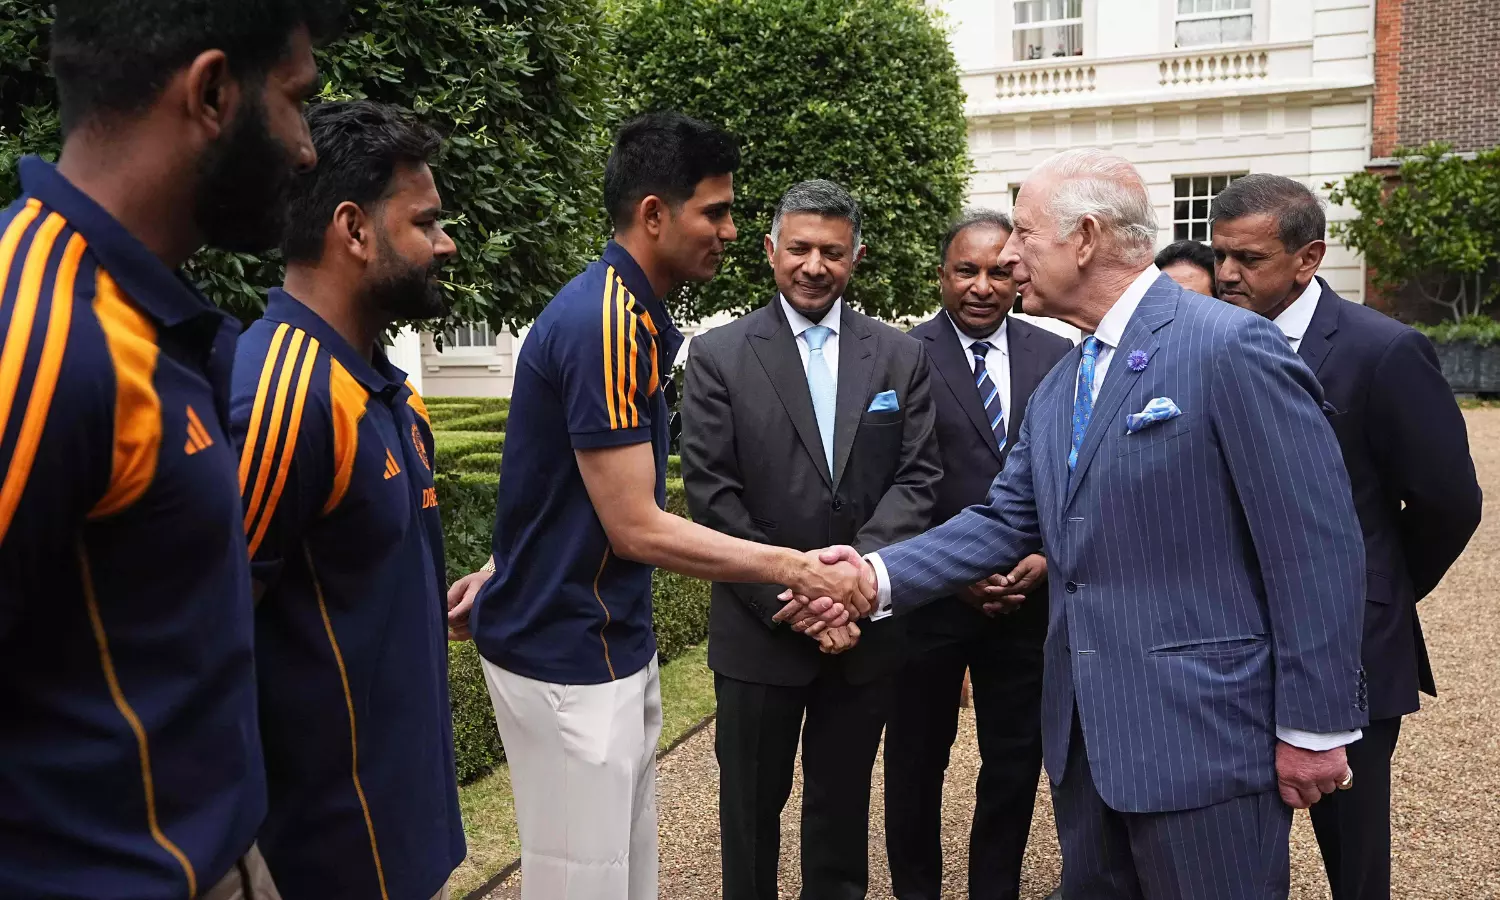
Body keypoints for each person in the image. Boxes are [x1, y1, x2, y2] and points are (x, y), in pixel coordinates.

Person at [780, 148, 1370, 900]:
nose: (1011, 255)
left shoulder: (1228, 346)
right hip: (1087, 742)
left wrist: (1316, 727)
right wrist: (870, 576)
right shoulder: (1066, 380)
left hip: (1206, 745)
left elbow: (1316, 548)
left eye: (1024, 235)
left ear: (1085, 237)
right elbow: (1005, 518)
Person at [443, 114, 872, 900]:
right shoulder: (607, 321)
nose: (733, 231)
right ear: (652, 214)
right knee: (586, 886)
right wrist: (797, 567)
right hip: (569, 653)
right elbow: (634, 524)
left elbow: (558, 483)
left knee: (621, 880)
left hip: (596, 639)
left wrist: (506, 560)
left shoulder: (627, 314)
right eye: (715, 211)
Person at [0, 2, 337, 897]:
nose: (306, 147)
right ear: (214, 91)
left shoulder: (150, 319)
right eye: (296, 99)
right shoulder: (39, 333)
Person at [1210, 174, 1482, 900]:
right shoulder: (1203, 342)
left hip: (1352, 652)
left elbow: (1448, 502)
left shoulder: (1383, 351)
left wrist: (1374, 591)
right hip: (1225, 648)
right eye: (1220, 256)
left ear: (1309, 258)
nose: (1228, 273)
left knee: (1353, 864)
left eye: (1249, 259)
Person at [679, 179, 941, 900]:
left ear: (856, 257)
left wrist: (850, 594)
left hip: (863, 635)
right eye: (799, 248)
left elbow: (919, 481)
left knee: (841, 812)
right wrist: (792, 595)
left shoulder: (898, 356)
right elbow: (712, 495)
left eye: (832, 251)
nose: (814, 265)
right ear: (770, 251)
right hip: (760, 631)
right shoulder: (717, 356)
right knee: (750, 815)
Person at [229, 100, 464, 900]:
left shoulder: (385, 391)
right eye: (426, 222)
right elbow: (217, 634)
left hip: (400, 838)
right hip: (325, 858)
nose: (446, 242)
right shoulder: (286, 395)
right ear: (355, 231)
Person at [887, 209, 1072, 900]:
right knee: (914, 761)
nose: (983, 286)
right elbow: (888, 482)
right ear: (942, 274)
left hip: (1027, 600)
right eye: (967, 270)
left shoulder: (1056, 357)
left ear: (1018, 275)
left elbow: (1073, 473)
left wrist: (1048, 557)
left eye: (1000, 270)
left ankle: (994, 889)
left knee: (1015, 762)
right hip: (930, 603)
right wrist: (953, 569)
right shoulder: (901, 356)